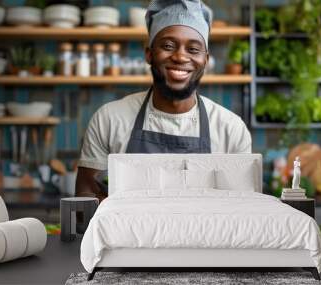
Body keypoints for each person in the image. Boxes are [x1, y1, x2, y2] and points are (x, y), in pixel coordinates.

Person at [75, 0, 252, 200]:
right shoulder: (109, 119)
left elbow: (243, 208)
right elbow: (86, 199)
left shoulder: (231, 130)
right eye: (168, 46)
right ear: (149, 54)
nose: (180, 57)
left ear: (206, 60)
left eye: (193, 49)